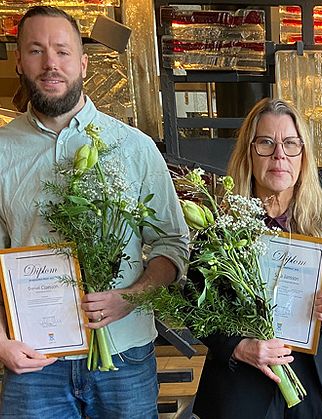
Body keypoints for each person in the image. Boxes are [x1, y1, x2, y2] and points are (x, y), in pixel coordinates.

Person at [0, 6, 189, 418]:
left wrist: (130, 297)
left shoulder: (134, 147)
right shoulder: (0, 150)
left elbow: (173, 245)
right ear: (19, 61)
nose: (51, 63)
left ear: (83, 62)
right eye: (36, 50)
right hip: (33, 361)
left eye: (63, 51)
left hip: (124, 356)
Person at [192, 98, 322, 419]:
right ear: (249, 153)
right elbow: (193, 307)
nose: (279, 155)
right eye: (266, 143)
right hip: (241, 386)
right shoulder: (223, 226)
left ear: (303, 156)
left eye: (291, 144)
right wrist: (238, 347)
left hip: (311, 385)